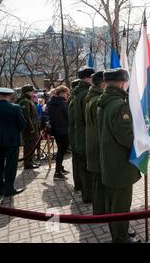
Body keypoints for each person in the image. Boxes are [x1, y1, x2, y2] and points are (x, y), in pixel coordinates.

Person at [97, 68, 141, 243]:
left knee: (113, 202)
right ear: (123, 82)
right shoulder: (119, 105)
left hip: (109, 161)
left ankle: (119, 232)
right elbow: (126, 138)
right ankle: (120, 238)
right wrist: (141, 140)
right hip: (119, 163)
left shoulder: (104, 101)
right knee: (121, 203)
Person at [0, 88, 27, 197]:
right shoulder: (15, 108)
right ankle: (9, 188)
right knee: (11, 165)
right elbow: (22, 124)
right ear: (9, 96)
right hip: (12, 140)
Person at [71, 67, 95, 203]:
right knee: (87, 168)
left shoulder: (76, 92)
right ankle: (89, 196)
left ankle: (84, 191)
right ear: (89, 77)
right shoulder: (86, 94)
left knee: (82, 166)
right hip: (85, 135)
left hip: (78, 134)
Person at [85, 71, 106, 214]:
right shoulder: (97, 100)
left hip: (92, 144)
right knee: (99, 181)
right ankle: (100, 211)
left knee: (97, 181)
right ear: (102, 83)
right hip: (97, 146)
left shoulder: (92, 98)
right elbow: (100, 127)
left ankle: (99, 210)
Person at [47, 85, 70, 180]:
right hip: (63, 130)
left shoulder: (50, 102)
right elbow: (68, 116)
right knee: (61, 151)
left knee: (60, 150)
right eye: (66, 93)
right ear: (61, 93)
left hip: (55, 129)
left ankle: (60, 168)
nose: (67, 95)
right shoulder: (63, 103)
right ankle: (57, 172)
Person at [16, 85, 41, 170]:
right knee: (29, 146)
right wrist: (31, 128)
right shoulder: (25, 101)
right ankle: (28, 164)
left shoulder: (28, 100)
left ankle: (31, 160)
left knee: (32, 145)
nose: (33, 92)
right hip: (30, 129)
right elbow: (26, 116)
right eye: (31, 91)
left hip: (33, 126)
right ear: (27, 92)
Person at [68, 79, 81, 190]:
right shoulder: (74, 99)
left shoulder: (72, 98)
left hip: (74, 134)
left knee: (77, 161)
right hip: (76, 134)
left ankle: (78, 184)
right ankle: (79, 184)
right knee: (78, 162)